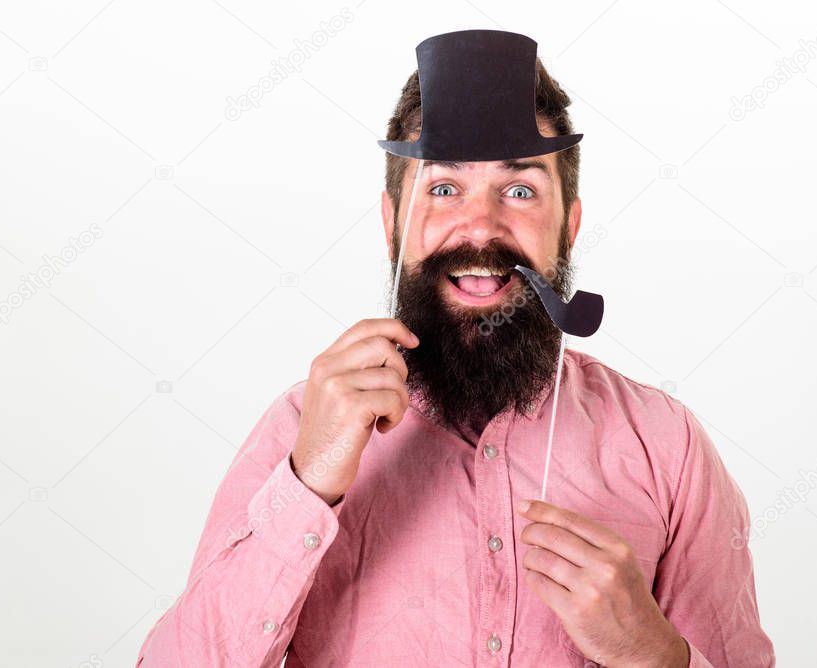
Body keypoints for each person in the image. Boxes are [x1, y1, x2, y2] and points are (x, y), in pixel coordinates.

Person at [137, 29, 775, 667]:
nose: (481, 226)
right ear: (392, 224)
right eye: (443, 189)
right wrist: (307, 486)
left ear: (570, 226)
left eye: (520, 190)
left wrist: (658, 655)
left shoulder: (668, 447)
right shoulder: (300, 432)